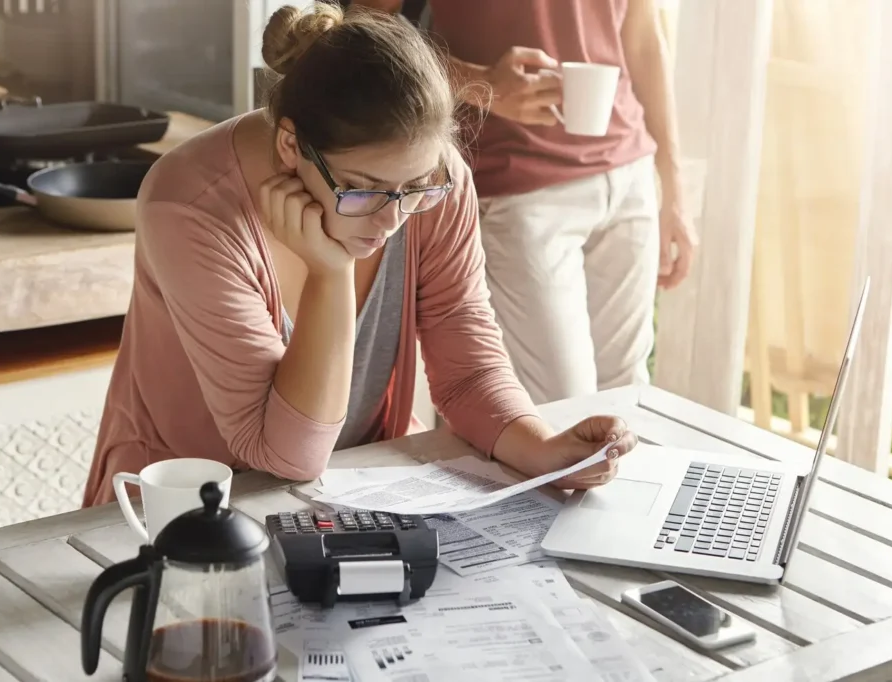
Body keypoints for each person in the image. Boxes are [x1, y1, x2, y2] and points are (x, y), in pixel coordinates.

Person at [81, 3, 638, 507]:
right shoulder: (191, 206)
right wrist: (331, 270)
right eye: (363, 188)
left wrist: (540, 447)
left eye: (417, 186)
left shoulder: (437, 184)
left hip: (351, 492)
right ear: (290, 146)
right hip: (181, 510)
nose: (394, 217)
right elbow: (283, 456)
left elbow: (465, 364)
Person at [354, 0, 697, 405]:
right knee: (562, 405)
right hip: (520, 190)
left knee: (629, 393)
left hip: (628, 176)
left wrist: (673, 184)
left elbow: (642, 36)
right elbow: (365, 29)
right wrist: (480, 83)